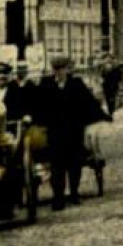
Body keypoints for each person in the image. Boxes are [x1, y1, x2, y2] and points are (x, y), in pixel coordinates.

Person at [37, 56, 107, 209]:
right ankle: (58, 197)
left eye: (63, 69)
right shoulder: (46, 85)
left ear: (67, 70)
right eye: (57, 69)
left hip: (74, 130)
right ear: (53, 70)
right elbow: (39, 105)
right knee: (56, 166)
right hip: (55, 131)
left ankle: (74, 192)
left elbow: (88, 102)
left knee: (74, 163)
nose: (60, 72)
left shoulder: (76, 84)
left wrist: (101, 115)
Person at [99, 53, 123, 117]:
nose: (108, 60)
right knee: (108, 97)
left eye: (109, 59)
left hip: (113, 83)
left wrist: (119, 82)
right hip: (106, 84)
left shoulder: (115, 66)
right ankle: (110, 109)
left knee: (112, 97)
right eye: (106, 59)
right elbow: (101, 75)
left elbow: (119, 74)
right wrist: (101, 80)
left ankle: (111, 110)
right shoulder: (103, 67)